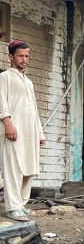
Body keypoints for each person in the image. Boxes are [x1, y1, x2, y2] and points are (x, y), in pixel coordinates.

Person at [0, 40, 46, 222]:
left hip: (30, 131)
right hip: (13, 129)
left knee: (29, 168)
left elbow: (34, 109)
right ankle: (13, 207)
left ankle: (21, 203)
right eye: (21, 56)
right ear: (11, 56)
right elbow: (1, 102)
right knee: (14, 168)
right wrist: (8, 124)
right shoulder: (5, 77)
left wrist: (40, 133)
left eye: (27, 56)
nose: (24, 59)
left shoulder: (28, 81)